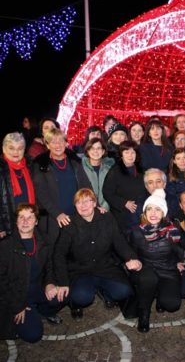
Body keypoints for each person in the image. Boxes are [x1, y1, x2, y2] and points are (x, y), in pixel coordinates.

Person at [53, 189, 142, 320]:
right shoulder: (69, 224)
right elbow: (58, 255)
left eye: (87, 201)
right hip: (80, 270)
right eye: (79, 202)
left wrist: (132, 258)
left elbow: (119, 241)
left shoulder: (107, 217)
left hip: (105, 267)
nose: (83, 205)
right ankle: (75, 304)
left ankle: (105, 292)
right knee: (82, 297)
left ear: (95, 203)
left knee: (124, 291)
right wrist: (62, 282)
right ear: (75, 205)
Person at [128, 188, 185, 332]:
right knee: (149, 279)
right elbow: (129, 251)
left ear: (163, 213)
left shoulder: (171, 228)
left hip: (167, 269)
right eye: (150, 209)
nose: (153, 213)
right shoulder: (136, 231)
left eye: (158, 209)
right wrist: (131, 261)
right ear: (145, 212)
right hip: (146, 270)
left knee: (172, 304)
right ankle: (144, 313)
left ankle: (160, 296)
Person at [0, 204, 64, 343]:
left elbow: (49, 267)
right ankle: (26, 315)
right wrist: (17, 305)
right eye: (21, 217)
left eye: (30, 217)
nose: (25, 221)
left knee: (62, 294)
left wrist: (49, 283)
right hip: (18, 296)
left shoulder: (44, 241)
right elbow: (2, 282)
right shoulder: (5, 246)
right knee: (33, 335)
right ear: (16, 221)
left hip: (38, 290)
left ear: (36, 221)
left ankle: (41, 312)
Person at [32, 128, 91, 244]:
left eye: (60, 141)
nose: (57, 145)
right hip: (53, 219)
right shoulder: (40, 164)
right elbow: (41, 193)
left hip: (75, 216)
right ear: (48, 145)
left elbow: (86, 186)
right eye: (53, 142)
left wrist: (95, 205)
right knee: (54, 254)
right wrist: (57, 213)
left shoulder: (75, 162)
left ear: (66, 143)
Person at [103, 141, 147, 235]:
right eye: (126, 152)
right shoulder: (115, 171)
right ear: (121, 154)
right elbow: (107, 193)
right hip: (122, 215)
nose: (130, 155)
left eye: (133, 152)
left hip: (140, 213)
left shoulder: (141, 170)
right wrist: (124, 203)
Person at [0, 132, 35, 238]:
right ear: (4, 148)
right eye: (11, 148)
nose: (16, 152)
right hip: (8, 224)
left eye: (20, 148)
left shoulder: (30, 166)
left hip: (29, 222)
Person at [82, 138, 114, 211]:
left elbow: (113, 191)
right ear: (88, 151)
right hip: (86, 209)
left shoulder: (110, 169)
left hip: (106, 209)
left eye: (98, 148)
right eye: (92, 148)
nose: (95, 151)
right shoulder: (81, 168)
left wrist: (105, 207)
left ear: (103, 151)